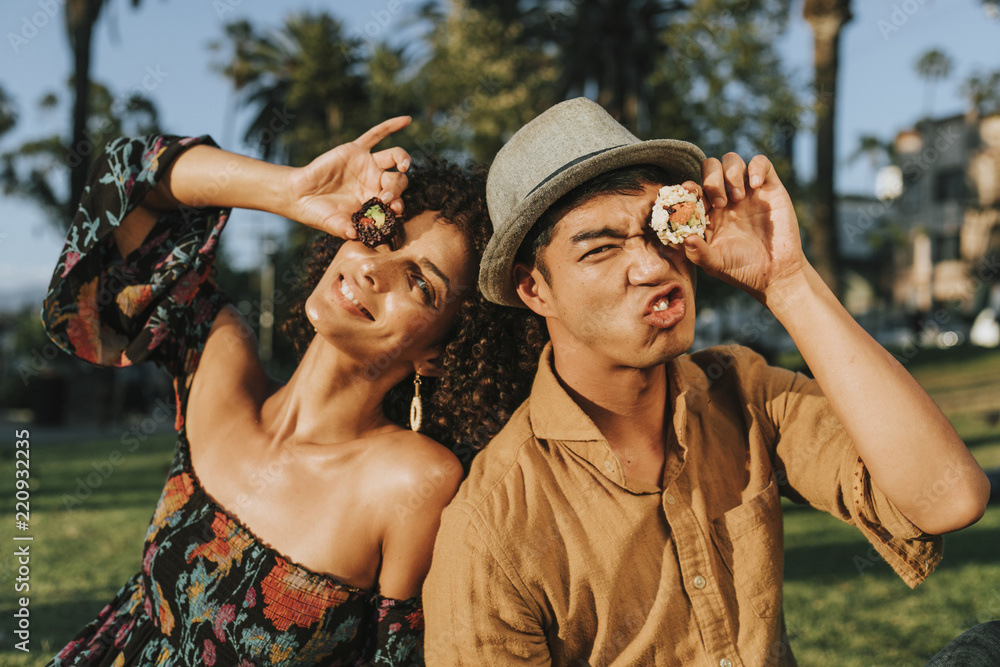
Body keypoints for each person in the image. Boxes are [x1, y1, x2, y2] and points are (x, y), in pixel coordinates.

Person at [422, 98, 994, 665]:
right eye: (600, 249)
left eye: (662, 229)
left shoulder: (741, 388)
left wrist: (787, 282)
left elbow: (947, 498)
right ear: (534, 289)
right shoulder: (490, 528)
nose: (652, 268)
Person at [42, 117, 538, 666]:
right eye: (381, 234)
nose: (375, 268)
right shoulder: (220, 359)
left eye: (420, 282)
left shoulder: (412, 481)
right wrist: (288, 189)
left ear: (443, 353)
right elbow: (124, 182)